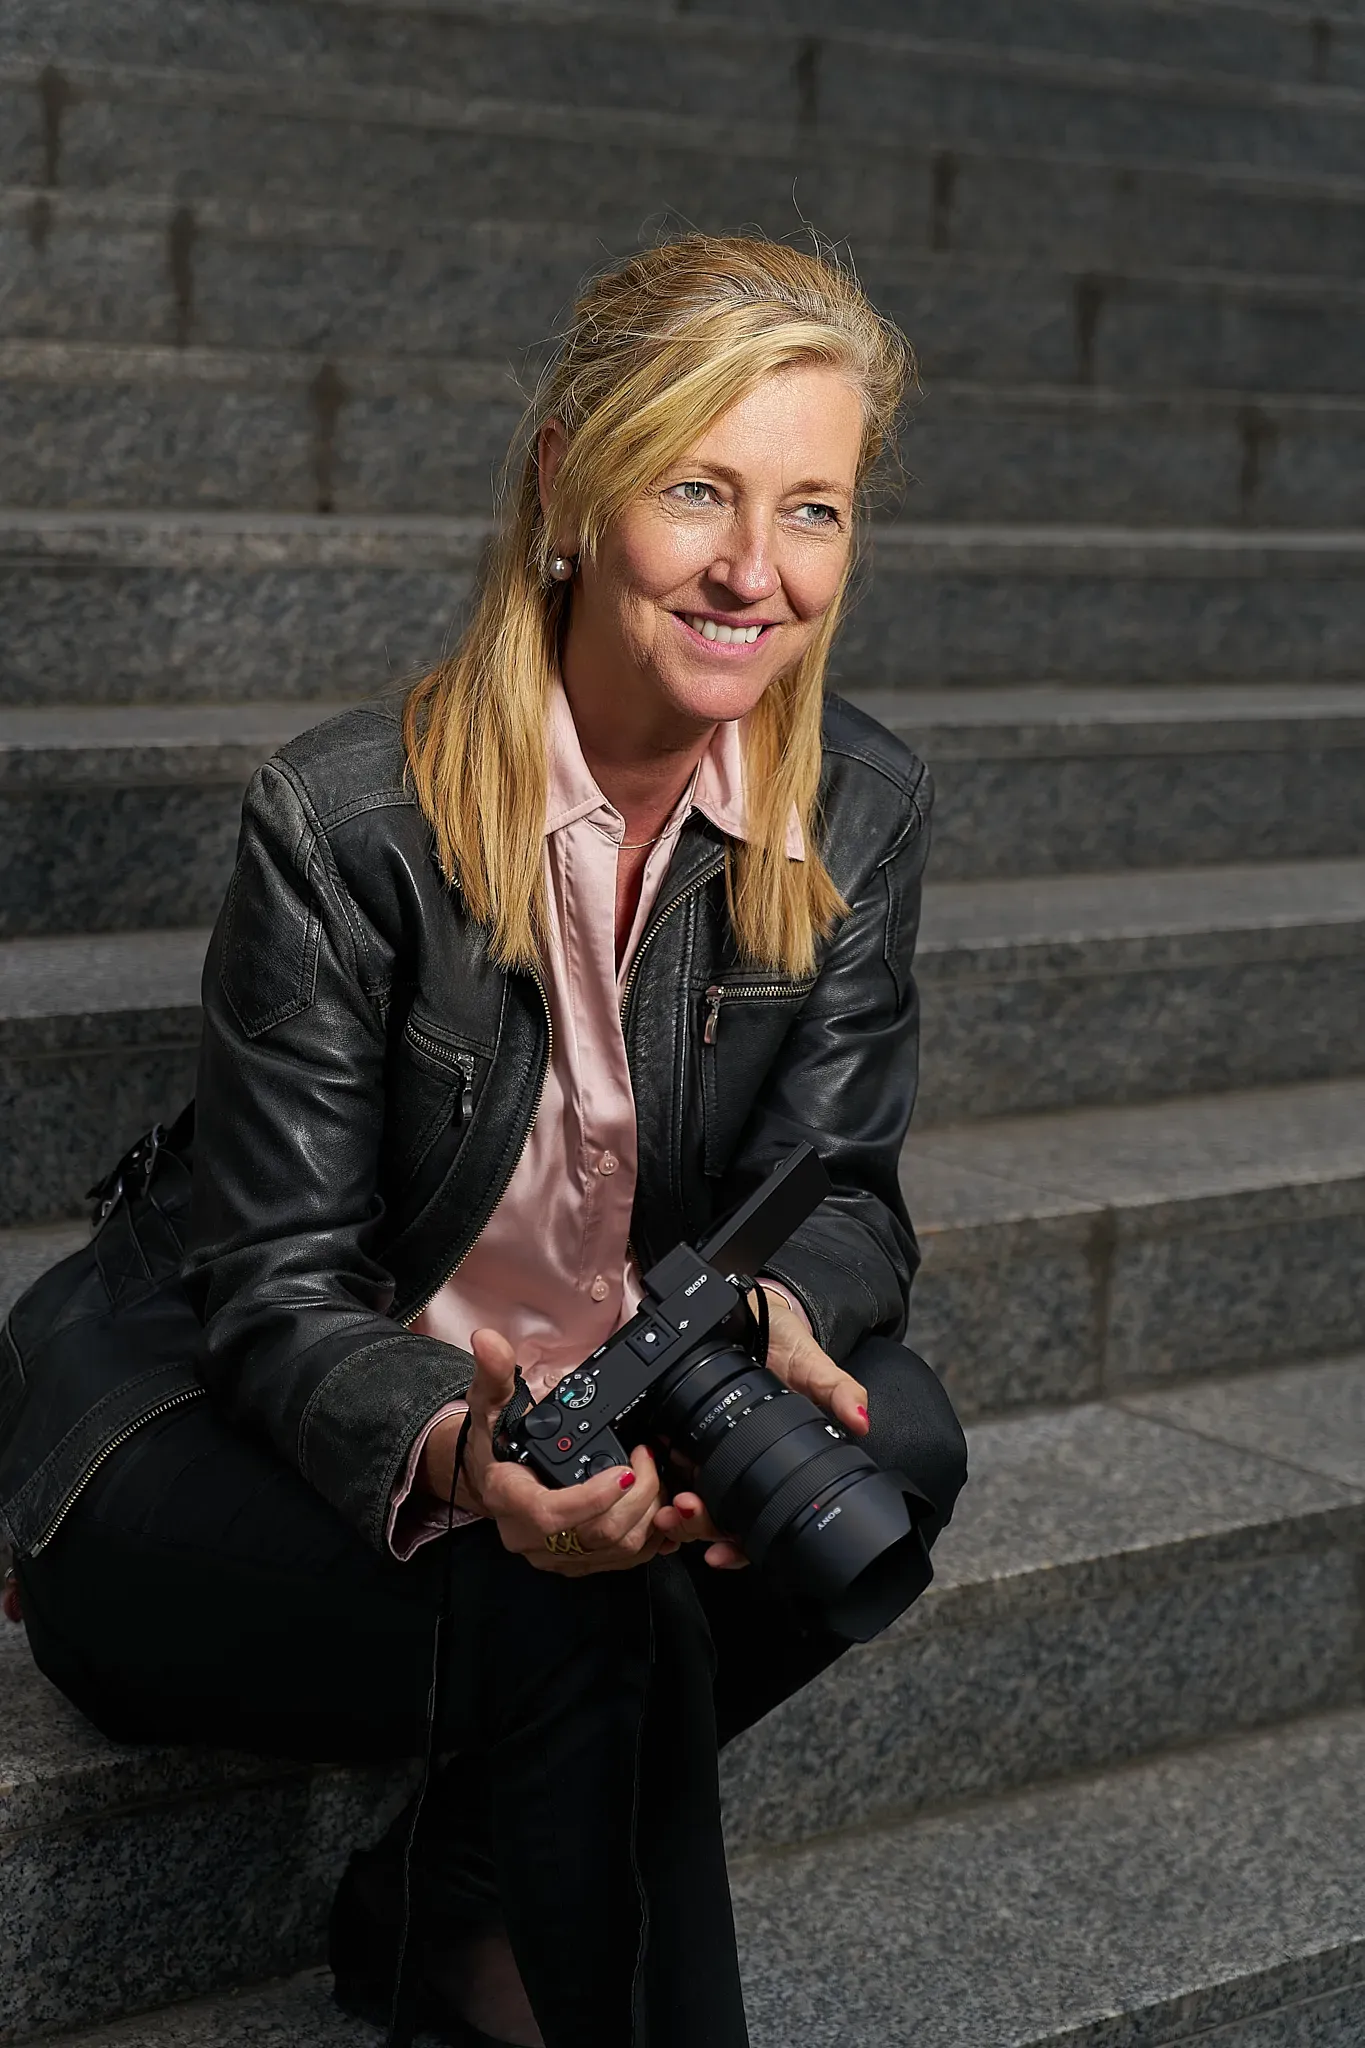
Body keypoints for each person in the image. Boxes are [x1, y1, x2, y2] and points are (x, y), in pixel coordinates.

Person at [8, 235, 967, 2048]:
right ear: (571, 487)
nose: (757, 572)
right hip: (222, 1434)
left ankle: (448, 1889)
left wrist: (763, 1324)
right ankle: (485, 1961)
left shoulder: (858, 809)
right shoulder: (344, 824)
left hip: (603, 1389)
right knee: (589, 1605)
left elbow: (845, 1192)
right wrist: (462, 1453)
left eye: (814, 511)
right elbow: (275, 1293)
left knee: (884, 1455)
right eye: (697, 489)